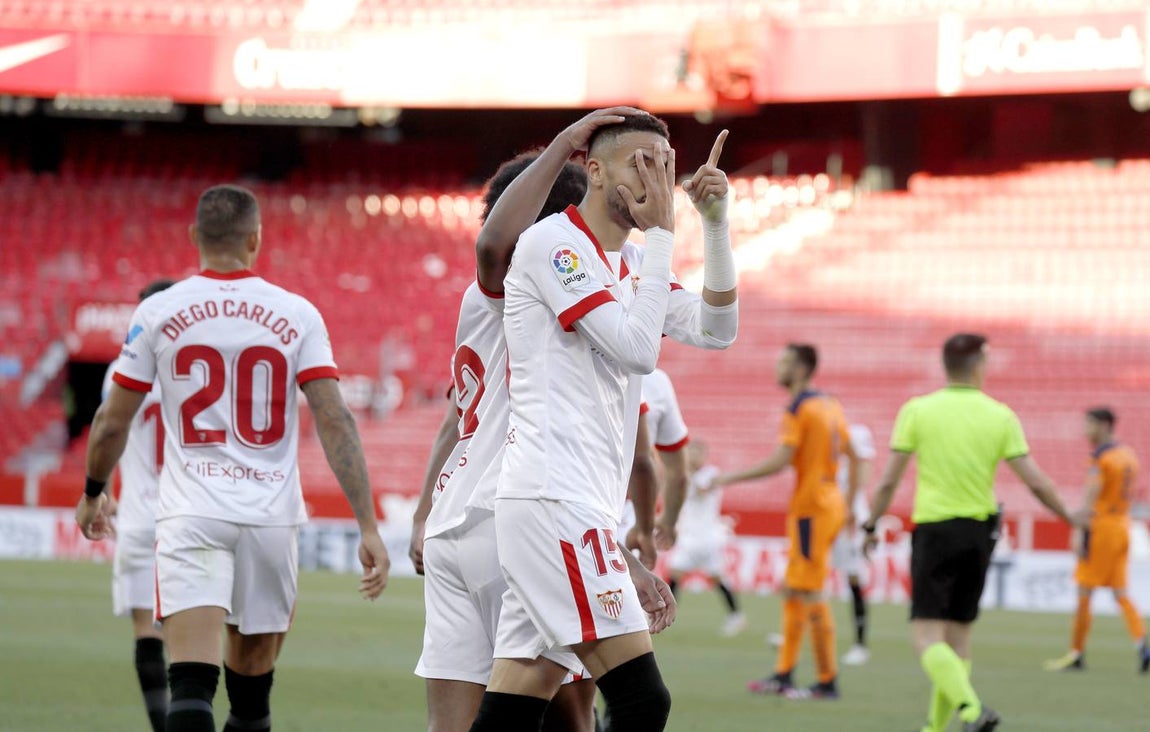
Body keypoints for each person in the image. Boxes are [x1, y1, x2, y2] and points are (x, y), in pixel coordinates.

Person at [75, 184, 389, 732]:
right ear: (256, 239)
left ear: (196, 236)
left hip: (193, 514)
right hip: (270, 519)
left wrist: (92, 491)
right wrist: (367, 523)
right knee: (250, 698)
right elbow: (335, 418)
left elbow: (111, 421)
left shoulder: (159, 312)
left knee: (191, 687)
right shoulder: (298, 313)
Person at [471, 113, 738, 731]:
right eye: (638, 163)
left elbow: (717, 329)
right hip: (552, 498)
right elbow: (637, 350)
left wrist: (715, 225)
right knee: (644, 701)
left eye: (663, 165)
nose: (654, 179)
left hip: (575, 503)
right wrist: (666, 235)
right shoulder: (553, 245)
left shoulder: (634, 259)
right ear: (593, 170)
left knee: (517, 701)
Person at [411, 108, 643, 732]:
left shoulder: (481, 300)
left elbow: (457, 417)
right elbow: (578, 451)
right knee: (574, 708)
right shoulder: (540, 284)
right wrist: (567, 145)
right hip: (517, 519)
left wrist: (421, 511)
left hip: (455, 521)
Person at [863, 332, 1083, 732]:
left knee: (927, 638)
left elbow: (887, 482)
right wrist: (1070, 517)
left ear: (945, 365)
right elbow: (1036, 482)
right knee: (959, 639)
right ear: (979, 365)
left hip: (935, 529)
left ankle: (971, 710)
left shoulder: (918, 410)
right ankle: (934, 727)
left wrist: (871, 524)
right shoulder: (1000, 415)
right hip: (980, 533)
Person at [712, 343, 859, 700]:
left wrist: (728, 478)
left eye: (786, 362)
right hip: (828, 504)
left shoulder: (799, 408)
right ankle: (784, 673)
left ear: (803, 368)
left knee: (809, 590)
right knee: (793, 589)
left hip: (811, 509)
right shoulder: (831, 404)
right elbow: (858, 455)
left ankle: (827, 680)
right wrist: (849, 502)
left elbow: (781, 460)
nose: (779, 367)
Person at [102, 278, 175, 732]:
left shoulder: (120, 369)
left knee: (146, 632)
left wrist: (100, 490)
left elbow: (107, 429)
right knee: (194, 639)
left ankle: (162, 726)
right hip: (191, 512)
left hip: (137, 515)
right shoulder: (197, 368)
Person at [1044, 407, 1150, 673]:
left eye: (1088, 424)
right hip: (1122, 526)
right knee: (1121, 593)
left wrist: (1078, 529)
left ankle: (1076, 653)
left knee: (1084, 591)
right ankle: (1143, 647)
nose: (1084, 431)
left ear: (1103, 425)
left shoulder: (1101, 458)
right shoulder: (1128, 455)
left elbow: (1091, 496)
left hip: (1101, 529)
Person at [667, 439, 744, 636]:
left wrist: (685, 472)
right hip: (688, 536)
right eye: (690, 452)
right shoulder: (682, 475)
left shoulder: (710, 474)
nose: (693, 456)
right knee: (674, 574)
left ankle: (736, 616)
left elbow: (702, 490)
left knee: (716, 578)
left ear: (704, 455)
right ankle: (664, 612)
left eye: (696, 452)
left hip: (708, 537)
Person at [835, 422, 876, 666]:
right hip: (827, 514)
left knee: (853, 578)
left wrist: (851, 509)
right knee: (811, 575)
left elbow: (865, 467)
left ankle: (860, 645)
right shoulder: (825, 430)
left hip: (850, 516)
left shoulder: (855, 433)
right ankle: (795, 634)